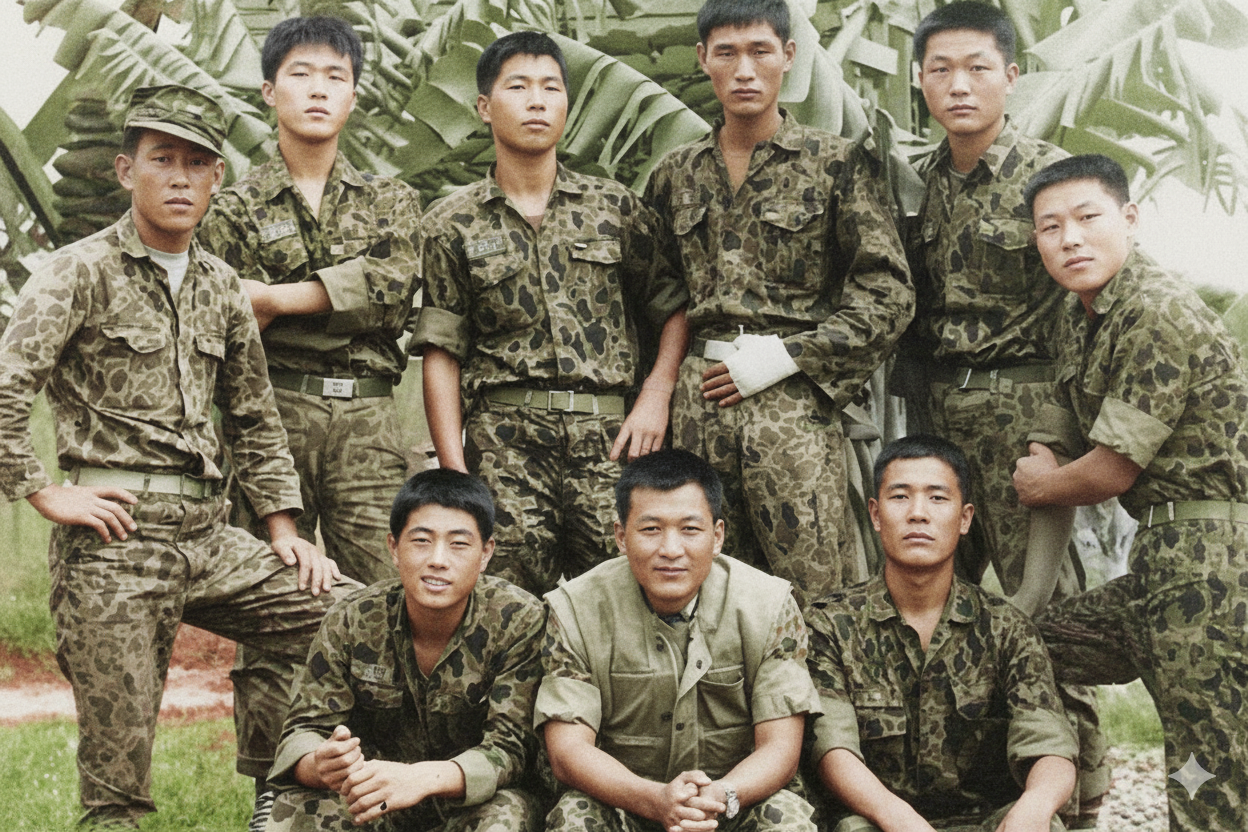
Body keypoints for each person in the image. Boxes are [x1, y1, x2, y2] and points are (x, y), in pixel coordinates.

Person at [0, 85, 350, 829]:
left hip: (210, 537)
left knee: (362, 620)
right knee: (117, 787)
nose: (181, 179)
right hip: (114, 545)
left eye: (198, 163)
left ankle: (298, 798)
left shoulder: (221, 284)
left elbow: (254, 417)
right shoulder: (76, 272)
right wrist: (43, 491)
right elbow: (5, 388)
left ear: (217, 178)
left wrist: (284, 529)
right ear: (126, 170)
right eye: (163, 160)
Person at [898, 5, 1106, 820]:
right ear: (920, 80)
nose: (960, 85)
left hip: (1027, 424)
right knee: (948, 614)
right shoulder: (915, 184)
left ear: (1011, 76)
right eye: (941, 69)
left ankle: (1082, 804)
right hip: (937, 423)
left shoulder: (1052, 182)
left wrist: (1056, 436)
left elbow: (1088, 309)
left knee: (1045, 623)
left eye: (978, 67)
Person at [644, 0, 913, 607]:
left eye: (760, 51)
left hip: (793, 405)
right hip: (697, 403)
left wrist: (792, 356)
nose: (744, 70)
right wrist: (659, 389)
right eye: (727, 53)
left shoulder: (836, 165)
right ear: (703, 59)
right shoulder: (675, 175)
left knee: (812, 587)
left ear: (789, 56)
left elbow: (888, 293)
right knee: (704, 588)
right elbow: (658, 297)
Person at [1014, 154, 1248, 831]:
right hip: (1161, 556)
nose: (1071, 239)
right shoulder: (1082, 314)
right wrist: (1044, 461)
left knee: (1205, 770)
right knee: (1024, 645)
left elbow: (1108, 472)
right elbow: (1058, 433)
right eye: (1051, 227)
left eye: (1088, 218)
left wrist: (1043, 484)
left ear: (1130, 218)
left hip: (1214, 558)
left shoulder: (1155, 309)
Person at [412, 31, 689, 595]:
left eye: (551, 87)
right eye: (518, 87)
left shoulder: (615, 209)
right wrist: (455, 473)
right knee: (503, 605)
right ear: (484, 107)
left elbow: (673, 308)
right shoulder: (451, 223)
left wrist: (657, 393)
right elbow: (442, 350)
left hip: (611, 442)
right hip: (504, 444)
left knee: (624, 601)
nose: (537, 101)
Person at [198, 15, 423, 585]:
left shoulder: (390, 200)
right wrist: (342, 296)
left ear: (353, 95)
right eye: (300, 74)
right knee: (265, 587)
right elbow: (231, 318)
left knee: (385, 591)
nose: (318, 89)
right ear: (269, 91)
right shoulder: (232, 209)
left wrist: (276, 299)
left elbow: (393, 293)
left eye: (335, 76)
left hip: (368, 419)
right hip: (271, 416)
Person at [537, 448, 820, 832]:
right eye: (651, 529)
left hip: (731, 804)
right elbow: (568, 751)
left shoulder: (768, 605)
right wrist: (654, 800)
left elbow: (781, 747)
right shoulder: (576, 610)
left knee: (786, 816)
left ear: (717, 536)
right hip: (627, 806)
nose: (671, 550)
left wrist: (718, 797)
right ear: (621, 537)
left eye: (690, 529)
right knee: (575, 815)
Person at [807, 435, 1077, 832]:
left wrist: (1035, 804)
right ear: (876, 514)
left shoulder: (1006, 628)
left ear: (965, 518)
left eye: (937, 498)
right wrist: (898, 818)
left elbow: (1050, 746)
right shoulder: (830, 625)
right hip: (879, 821)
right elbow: (832, 750)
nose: (918, 513)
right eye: (900, 497)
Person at [264, 469, 547, 832]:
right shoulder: (353, 618)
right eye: (421, 541)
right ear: (394, 548)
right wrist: (321, 763)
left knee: (506, 816)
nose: (438, 559)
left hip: (473, 801)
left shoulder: (518, 621)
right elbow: (303, 731)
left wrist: (422, 779)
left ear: (485, 553)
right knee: (296, 810)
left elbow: (513, 749)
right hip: (377, 794)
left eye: (459, 544)